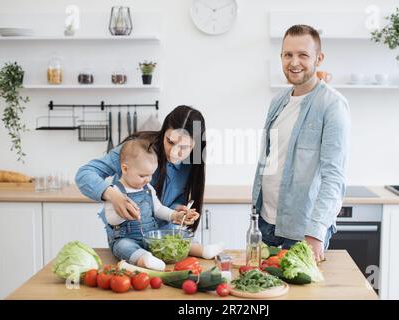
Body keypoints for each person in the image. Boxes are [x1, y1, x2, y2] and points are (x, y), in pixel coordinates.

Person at [252, 25, 351, 262]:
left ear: (319, 58)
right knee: (265, 290)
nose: (294, 62)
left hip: (302, 229)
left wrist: (316, 233)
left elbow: (333, 176)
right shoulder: (278, 102)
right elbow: (270, 158)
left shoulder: (332, 105)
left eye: (303, 55)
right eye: (288, 55)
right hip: (266, 222)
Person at [76, 105, 223, 262]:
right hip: (129, 233)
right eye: (170, 142)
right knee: (126, 247)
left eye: (184, 147)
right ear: (163, 132)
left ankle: (203, 249)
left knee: (179, 239)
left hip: (161, 232)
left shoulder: (190, 164)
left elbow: (168, 205)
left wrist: (177, 212)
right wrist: (112, 195)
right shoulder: (137, 151)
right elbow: (85, 174)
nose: (175, 152)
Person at [102, 138, 199, 270]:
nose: (147, 180)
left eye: (150, 175)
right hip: (126, 237)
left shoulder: (147, 188)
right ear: (125, 169)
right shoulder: (115, 192)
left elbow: (158, 209)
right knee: (123, 247)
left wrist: (175, 215)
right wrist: (124, 214)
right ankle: (144, 259)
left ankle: (201, 249)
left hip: (150, 236)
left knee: (173, 237)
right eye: (142, 176)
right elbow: (111, 220)